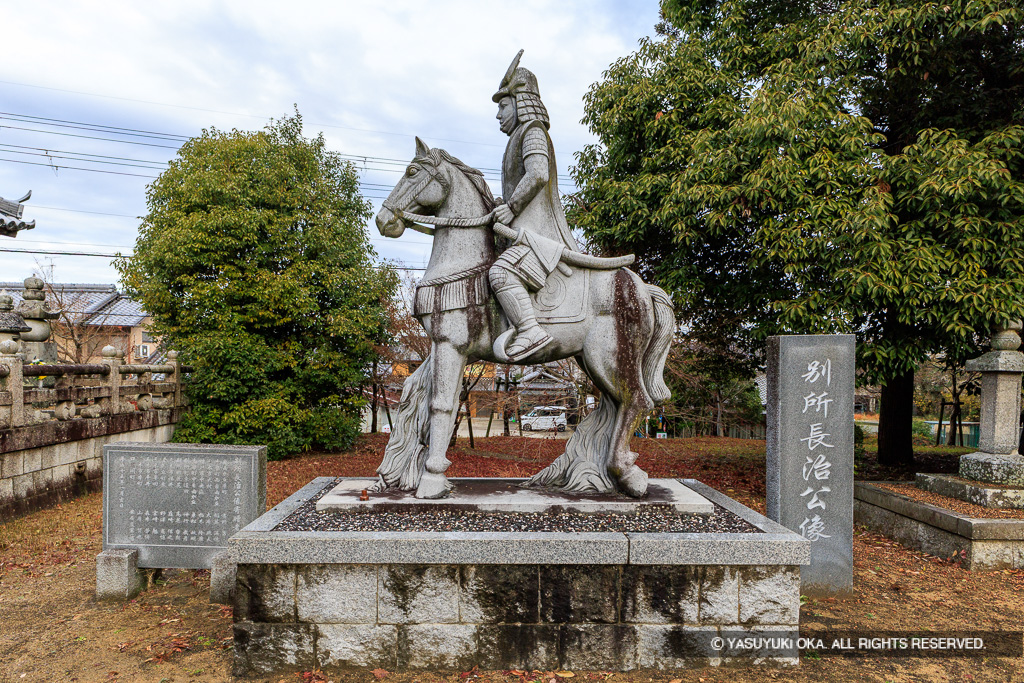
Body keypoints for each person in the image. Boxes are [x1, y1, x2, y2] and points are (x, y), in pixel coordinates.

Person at [488, 50, 579, 362]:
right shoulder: (517, 138)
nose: (498, 114)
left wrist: (512, 208)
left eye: (502, 105)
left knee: (500, 273)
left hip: (537, 236)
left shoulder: (533, 131)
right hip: (521, 232)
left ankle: (530, 330)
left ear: (520, 100)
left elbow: (538, 173)